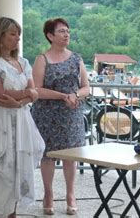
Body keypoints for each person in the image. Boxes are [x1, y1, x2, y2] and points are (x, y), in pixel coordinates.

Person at [0, 17, 45, 218]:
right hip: (1, 123)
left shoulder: (23, 62)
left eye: (18, 35)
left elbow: (33, 91)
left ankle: (12, 213)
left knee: (18, 171)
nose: (17, 39)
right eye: (13, 34)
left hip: (21, 121)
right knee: (1, 173)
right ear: (1, 36)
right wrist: (28, 94)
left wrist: (21, 101)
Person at [31, 18, 90, 215]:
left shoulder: (77, 58)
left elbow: (86, 87)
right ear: (50, 35)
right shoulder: (42, 59)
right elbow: (36, 89)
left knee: (70, 157)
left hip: (71, 115)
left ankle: (70, 194)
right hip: (47, 114)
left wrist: (75, 95)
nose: (66, 34)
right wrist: (62, 96)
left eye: (68, 31)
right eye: (61, 31)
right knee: (48, 156)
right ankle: (48, 193)